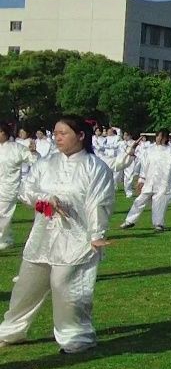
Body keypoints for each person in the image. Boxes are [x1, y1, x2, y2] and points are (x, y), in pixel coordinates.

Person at [0, 116, 117, 353]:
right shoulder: (46, 164)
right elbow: (26, 191)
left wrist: (96, 234)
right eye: (56, 133)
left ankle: (76, 336)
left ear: (81, 136)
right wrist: (44, 199)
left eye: (63, 133)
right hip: (42, 237)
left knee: (66, 286)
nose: (58, 137)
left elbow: (99, 203)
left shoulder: (95, 168)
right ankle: (12, 330)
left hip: (77, 239)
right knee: (26, 286)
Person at [120, 131, 171, 232]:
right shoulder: (150, 150)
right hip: (149, 181)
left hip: (163, 181)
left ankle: (159, 224)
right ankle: (129, 221)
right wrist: (141, 180)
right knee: (139, 200)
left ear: (166, 138)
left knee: (158, 203)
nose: (159, 138)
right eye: (158, 136)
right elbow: (144, 165)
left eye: (161, 136)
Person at [0, 121, 38, 249]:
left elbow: (34, 161)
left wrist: (33, 152)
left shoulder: (17, 148)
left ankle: (3, 240)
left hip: (9, 186)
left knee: (3, 214)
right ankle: (7, 237)